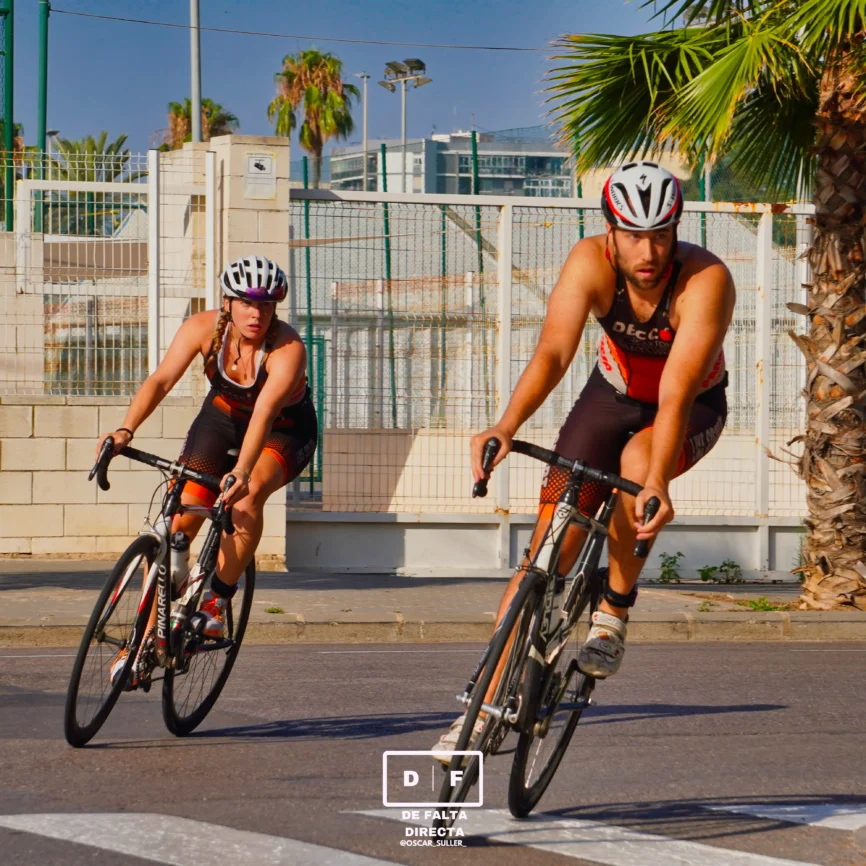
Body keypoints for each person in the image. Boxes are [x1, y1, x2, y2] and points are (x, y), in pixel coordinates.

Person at [433, 161, 735, 756]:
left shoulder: (706, 280)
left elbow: (676, 389)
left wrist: (655, 483)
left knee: (634, 469)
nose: (647, 251)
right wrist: (505, 424)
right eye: (632, 235)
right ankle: (479, 713)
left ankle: (613, 613)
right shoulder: (587, 263)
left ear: (676, 231)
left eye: (661, 235)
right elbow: (552, 352)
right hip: (611, 394)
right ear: (609, 233)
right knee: (548, 549)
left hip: (690, 405)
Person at [96, 255, 317, 684]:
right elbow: (161, 380)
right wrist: (125, 430)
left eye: (268, 305)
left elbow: (265, 413)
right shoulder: (202, 329)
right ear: (228, 302)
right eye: (248, 303)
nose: (258, 314)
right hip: (220, 418)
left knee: (247, 495)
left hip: (283, 431)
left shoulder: (288, 349)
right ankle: (142, 643)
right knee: (175, 523)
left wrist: (242, 470)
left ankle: (216, 600)